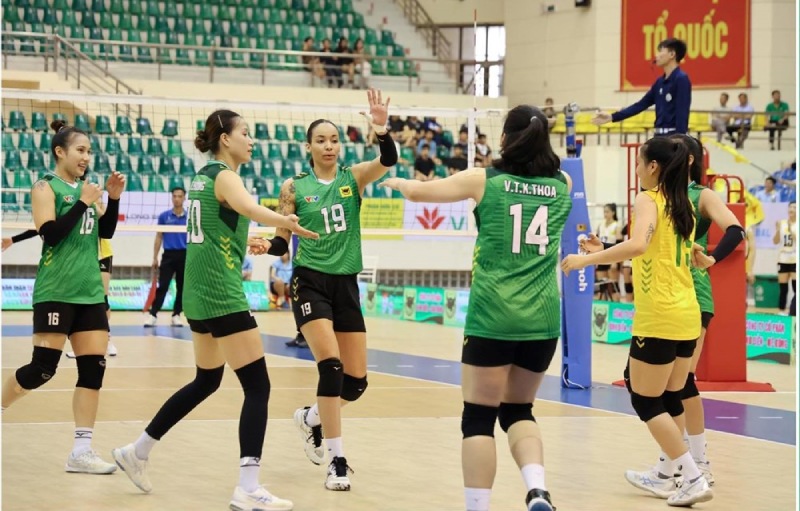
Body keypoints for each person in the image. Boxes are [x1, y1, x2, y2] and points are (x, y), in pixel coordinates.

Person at [111, 109, 317, 511]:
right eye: (246, 133)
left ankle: (137, 451)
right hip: (222, 294)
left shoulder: (201, 178)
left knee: (206, 381)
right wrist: (286, 221)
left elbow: (226, 222)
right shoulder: (225, 175)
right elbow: (250, 208)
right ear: (225, 138)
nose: (252, 140)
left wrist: (254, 240)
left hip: (198, 295)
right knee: (258, 387)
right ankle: (248, 487)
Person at [382, 105, 571, 511]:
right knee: (519, 409)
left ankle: (478, 507)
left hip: (493, 316)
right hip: (542, 320)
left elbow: (418, 192)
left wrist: (394, 179)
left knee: (479, 418)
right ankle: (537, 489)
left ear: (506, 138)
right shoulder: (564, 184)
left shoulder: (486, 180)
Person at [561, 136, 713, 506]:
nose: (637, 169)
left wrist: (585, 261)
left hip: (658, 316)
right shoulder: (683, 205)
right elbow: (653, 252)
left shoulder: (649, 198)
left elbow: (640, 246)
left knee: (644, 398)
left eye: (639, 163)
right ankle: (669, 476)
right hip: (686, 313)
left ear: (653, 167)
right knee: (670, 395)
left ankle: (692, 476)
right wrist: (604, 249)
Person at [275, 88, 395, 491]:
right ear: (308, 146)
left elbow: (389, 159)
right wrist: (265, 244)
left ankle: (310, 418)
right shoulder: (293, 186)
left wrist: (381, 128)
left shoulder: (353, 178)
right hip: (309, 282)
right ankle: (337, 460)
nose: (329, 146)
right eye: (321, 140)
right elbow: (281, 238)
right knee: (331, 366)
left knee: (356, 383)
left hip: (345, 283)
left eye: (334, 140)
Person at [619, 134, 744, 492]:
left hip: (686, 296)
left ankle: (695, 465)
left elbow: (736, 229)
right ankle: (671, 470)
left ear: (686, 159)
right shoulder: (669, 198)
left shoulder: (694, 196)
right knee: (669, 388)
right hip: (673, 297)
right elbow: (642, 244)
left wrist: (713, 258)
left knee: (674, 386)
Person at [1, 120, 124, 474]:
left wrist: (111, 199)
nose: (86, 157)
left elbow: (106, 231)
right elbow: (51, 234)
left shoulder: (87, 189)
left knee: (93, 371)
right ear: (60, 152)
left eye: (89, 151)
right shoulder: (45, 187)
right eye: (80, 150)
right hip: (56, 291)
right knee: (42, 370)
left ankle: (81, 451)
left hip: (89, 294)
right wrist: (84, 202)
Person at [2, 219, 118, 358]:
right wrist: (14, 239)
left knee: (102, 297)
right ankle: (82, 343)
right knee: (79, 297)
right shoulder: (68, 204)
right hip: (77, 254)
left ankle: (107, 340)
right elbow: (47, 228)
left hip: (101, 252)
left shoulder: (94, 202)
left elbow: (106, 222)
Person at [593, 38, 691, 136]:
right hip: (658, 136)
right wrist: (612, 117)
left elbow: (682, 112)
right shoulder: (659, 82)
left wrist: (680, 139)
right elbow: (640, 105)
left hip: (673, 136)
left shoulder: (681, 79)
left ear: (672, 54)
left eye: (660, 51)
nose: (656, 55)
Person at [145, 186, 187, 327]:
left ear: (184, 198)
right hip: (168, 255)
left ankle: (176, 314)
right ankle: (153, 314)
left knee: (182, 287)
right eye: (174, 196)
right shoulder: (164, 216)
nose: (177, 199)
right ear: (171, 198)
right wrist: (154, 257)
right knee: (162, 286)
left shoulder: (189, 217)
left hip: (184, 255)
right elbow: (158, 237)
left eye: (180, 196)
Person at [594, 203, 622, 300]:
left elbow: (619, 243)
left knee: (613, 285)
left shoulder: (616, 226)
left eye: (607, 212)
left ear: (613, 213)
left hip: (613, 256)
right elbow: (596, 241)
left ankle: (616, 309)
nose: (605, 214)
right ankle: (603, 309)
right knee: (602, 285)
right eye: (604, 212)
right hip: (602, 256)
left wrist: (615, 261)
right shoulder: (600, 225)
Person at [773, 202, 797, 314]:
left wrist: (790, 228)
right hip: (783, 259)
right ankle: (781, 311)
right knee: (783, 288)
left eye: (795, 207)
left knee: (796, 288)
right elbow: (775, 241)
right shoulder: (782, 223)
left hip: (795, 259)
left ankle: (794, 312)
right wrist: (778, 229)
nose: (792, 209)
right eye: (790, 207)